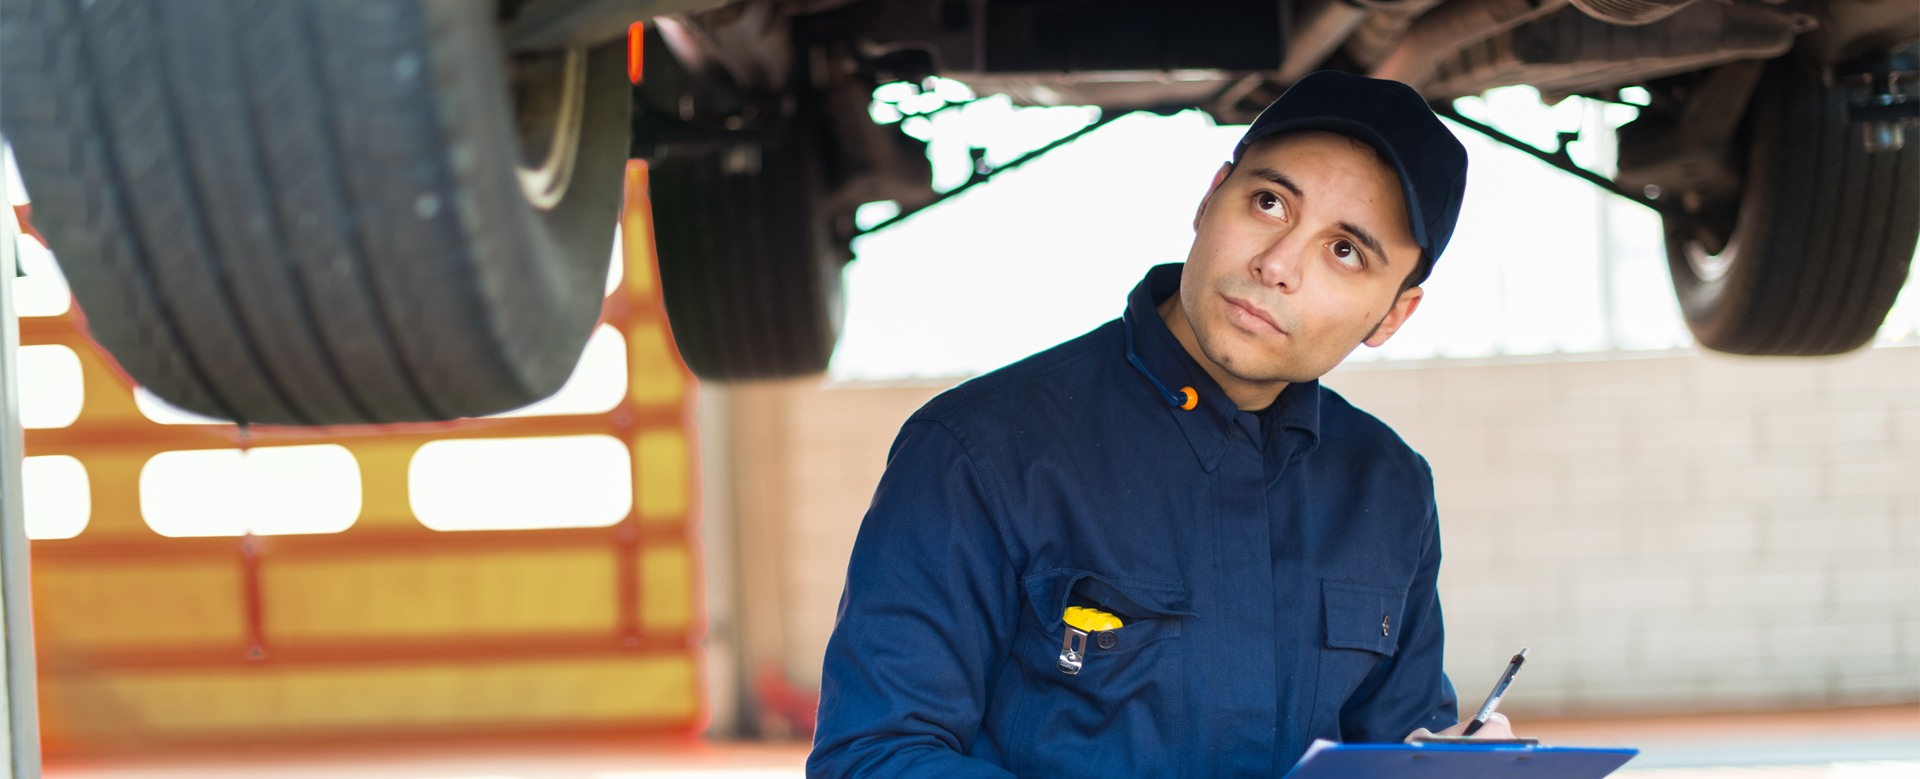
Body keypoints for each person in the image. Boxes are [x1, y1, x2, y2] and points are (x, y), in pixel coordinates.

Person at [807, 70, 1512, 779]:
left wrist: (1452, 767)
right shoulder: (979, 451)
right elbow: (872, 757)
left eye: (1345, 251)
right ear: (1210, 198)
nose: (1277, 265)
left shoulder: (1389, 488)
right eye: (1269, 202)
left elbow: (1393, 746)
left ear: (1392, 314)